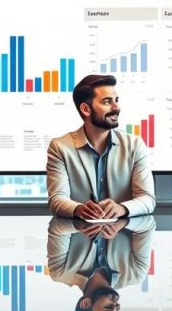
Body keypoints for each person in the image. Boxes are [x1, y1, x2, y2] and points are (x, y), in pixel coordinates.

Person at [46, 74, 155, 219]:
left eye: (116, 100)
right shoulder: (60, 147)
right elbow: (56, 200)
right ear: (86, 109)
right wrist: (78, 209)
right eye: (107, 102)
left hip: (123, 236)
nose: (116, 107)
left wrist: (122, 208)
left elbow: (147, 199)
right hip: (80, 237)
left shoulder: (134, 145)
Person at [47, 215, 156, 311]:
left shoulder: (60, 272)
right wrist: (122, 223)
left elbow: (56, 226)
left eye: (109, 307)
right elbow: (148, 224)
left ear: (85, 303)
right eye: (117, 307)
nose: (116, 303)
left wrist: (81, 225)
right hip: (126, 201)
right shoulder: (136, 274)